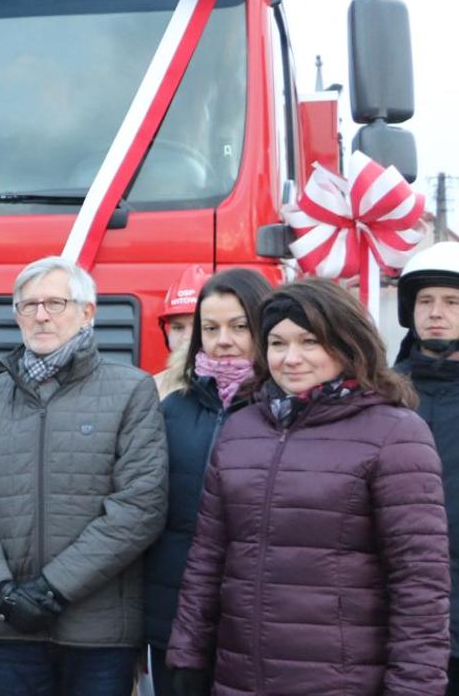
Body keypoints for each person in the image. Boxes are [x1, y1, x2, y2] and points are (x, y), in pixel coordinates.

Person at [168, 278, 451, 695]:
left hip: (342, 680)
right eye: (278, 343)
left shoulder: (395, 433)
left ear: (346, 343)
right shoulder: (243, 429)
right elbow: (208, 557)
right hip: (239, 677)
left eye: (309, 341)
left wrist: (415, 687)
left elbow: (419, 585)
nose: (291, 358)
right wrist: (187, 653)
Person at [0, 255, 166, 696]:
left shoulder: (131, 389)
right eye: (28, 305)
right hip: (12, 630)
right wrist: (2, 593)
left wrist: (52, 590)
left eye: (55, 302)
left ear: (88, 312)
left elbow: (139, 508)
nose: (41, 315)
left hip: (98, 633)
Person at [140, 269, 271, 695]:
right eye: (210, 328)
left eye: (239, 327)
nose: (223, 341)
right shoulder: (171, 407)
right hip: (173, 611)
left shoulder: (284, 408)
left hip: (256, 616)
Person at [395, 242, 459, 694]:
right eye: (425, 300)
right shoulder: (380, 394)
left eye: (452, 301)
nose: (435, 312)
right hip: (398, 610)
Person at [155, 265, 211, 398]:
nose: (187, 337)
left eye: (197, 327)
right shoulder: (152, 388)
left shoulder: (234, 388)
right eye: (178, 327)